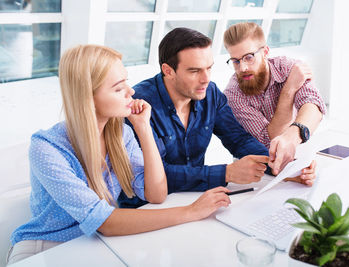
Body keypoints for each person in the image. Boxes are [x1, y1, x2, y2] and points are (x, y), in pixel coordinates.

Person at [7, 45, 232, 265]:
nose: (131, 91)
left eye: (126, 81)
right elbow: (105, 221)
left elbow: (156, 194)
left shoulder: (121, 134)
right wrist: (191, 212)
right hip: (44, 249)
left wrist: (144, 129)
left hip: (95, 244)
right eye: (118, 88)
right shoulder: (47, 148)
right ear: (88, 97)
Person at [120, 27, 316, 208]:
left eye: (209, 68)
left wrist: (282, 166)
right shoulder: (139, 105)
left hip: (193, 199)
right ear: (168, 71)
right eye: (195, 71)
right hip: (145, 207)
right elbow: (156, 175)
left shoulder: (210, 93)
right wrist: (227, 173)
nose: (206, 79)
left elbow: (239, 140)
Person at [223, 22, 327, 175]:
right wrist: (289, 90)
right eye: (236, 61)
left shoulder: (287, 67)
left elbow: (314, 106)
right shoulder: (233, 94)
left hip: (295, 156)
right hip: (255, 170)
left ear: (265, 52)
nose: (243, 68)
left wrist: (292, 137)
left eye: (249, 57)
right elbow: (269, 140)